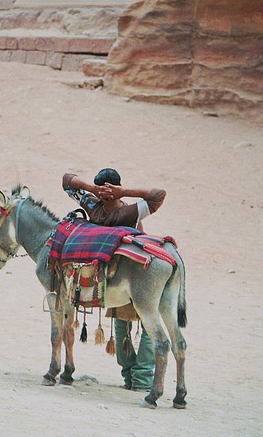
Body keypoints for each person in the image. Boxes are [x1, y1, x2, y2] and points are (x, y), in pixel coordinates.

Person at [62, 168, 166, 392]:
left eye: (112, 194)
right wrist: (93, 190)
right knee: (121, 325)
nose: (108, 198)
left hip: (138, 274)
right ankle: (130, 378)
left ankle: (142, 378)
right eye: (104, 194)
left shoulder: (130, 211)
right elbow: (67, 181)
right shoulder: (94, 204)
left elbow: (159, 194)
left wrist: (122, 191)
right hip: (113, 277)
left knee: (147, 324)